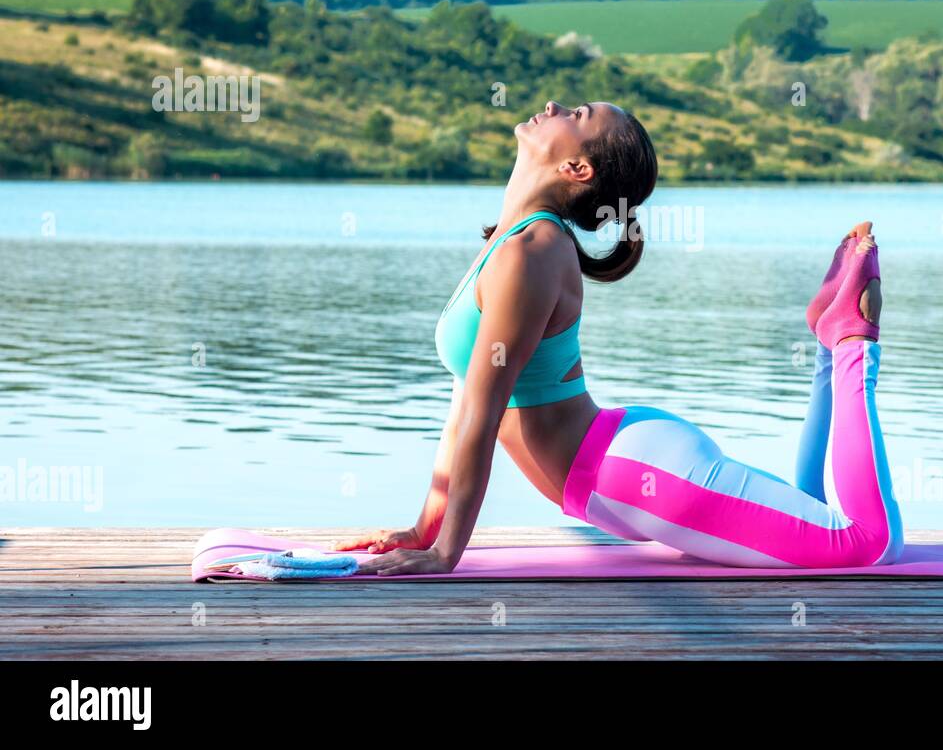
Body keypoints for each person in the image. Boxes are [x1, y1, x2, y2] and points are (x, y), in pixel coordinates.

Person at [335, 101, 902, 573]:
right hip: (625, 462)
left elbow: (484, 417)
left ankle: (850, 343)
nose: (554, 107)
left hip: (633, 474)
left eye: (576, 114)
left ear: (578, 168)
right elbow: (465, 405)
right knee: (811, 516)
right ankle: (830, 343)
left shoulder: (531, 252)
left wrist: (445, 553)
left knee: (865, 544)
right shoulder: (510, 245)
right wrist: (423, 529)